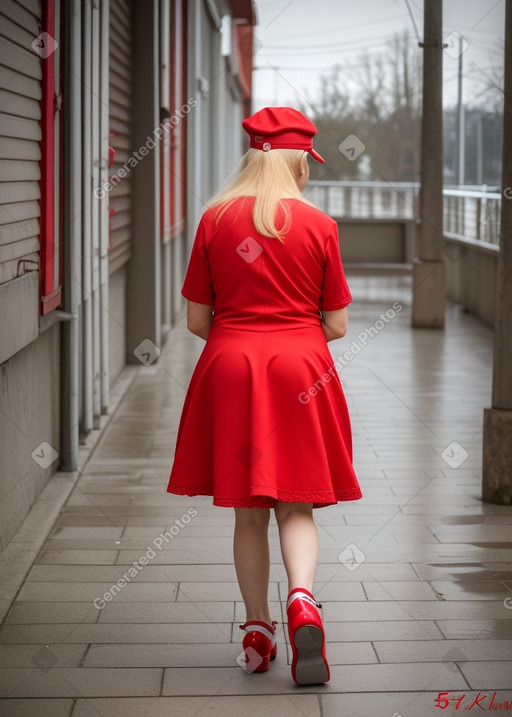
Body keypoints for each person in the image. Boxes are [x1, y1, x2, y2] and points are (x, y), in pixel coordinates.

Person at [166, 106, 362, 686]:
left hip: (230, 365)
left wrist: (241, 333)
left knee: (248, 512)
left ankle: (257, 632)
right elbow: (339, 324)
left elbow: (197, 319)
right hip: (301, 368)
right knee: (296, 503)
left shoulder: (214, 220)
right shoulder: (320, 226)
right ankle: (303, 600)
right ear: (299, 162)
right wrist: (293, 333)